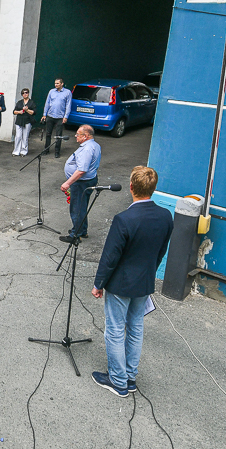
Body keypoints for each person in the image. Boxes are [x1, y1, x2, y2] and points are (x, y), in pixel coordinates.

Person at [91, 166, 174, 397]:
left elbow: (110, 257)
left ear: (131, 187)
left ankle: (117, 381)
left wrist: (99, 284)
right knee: (136, 328)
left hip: (121, 284)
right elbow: (161, 251)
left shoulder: (124, 219)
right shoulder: (166, 215)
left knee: (116, 330)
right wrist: (150, 272)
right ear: (153, 188)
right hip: (144, 281)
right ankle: (130, 377)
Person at [61, 125, 101, 243]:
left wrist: (67, 183)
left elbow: (81, 170)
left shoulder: (87, 149)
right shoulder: (95, 145)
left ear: (85, 136)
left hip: (81, 183)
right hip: (88, 180)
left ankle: (75, 235)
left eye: (78, 134)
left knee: (77, 208)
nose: (75, 136)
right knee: (82, 206)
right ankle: (82, 230)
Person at [41, 77, 71, 158]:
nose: (56, 85)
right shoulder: (51, 91)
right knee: (48, 134)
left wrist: (66, 117)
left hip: (60, 117)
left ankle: (57, 151)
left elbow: (68, 105)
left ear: (62, 84)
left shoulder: (67, 92)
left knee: (58, 135)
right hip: (50, 115)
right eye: (55, 83)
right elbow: (47, 103)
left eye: (58, 83)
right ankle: (46, 149)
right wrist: (44, 114)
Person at [12, 88, 35, 156]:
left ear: (28, 93)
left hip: (27, 121)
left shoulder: (31, 102)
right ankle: (16, 151)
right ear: (22, 94)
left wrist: (27, 110)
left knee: (25, 137)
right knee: (18, 136)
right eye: (23, 93)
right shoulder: (19, 102)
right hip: (19, 121)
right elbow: (14, 111)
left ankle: (24, 151)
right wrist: (19, 112)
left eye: (26, 92)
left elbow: (33, 112)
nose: (25, 94)